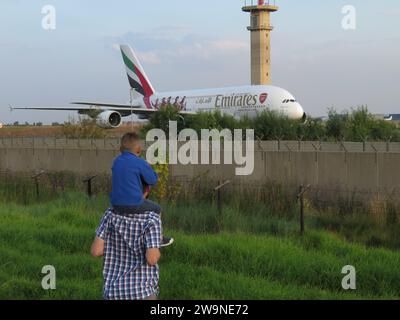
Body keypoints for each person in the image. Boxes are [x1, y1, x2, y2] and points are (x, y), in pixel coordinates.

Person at [110, 132, 173, 246]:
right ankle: (158, 238)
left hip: (115, 204)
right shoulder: (140, 162)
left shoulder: (116, 161)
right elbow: (153, 180)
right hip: (133, 204)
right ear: (138, 150)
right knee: (157, 209)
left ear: (120, 149)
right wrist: (147, 166)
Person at [91, 208, 162, 300]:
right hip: (141, 292)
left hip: (113, 291)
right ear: (146, 193)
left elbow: (96, 251)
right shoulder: (152, 219)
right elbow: (152, 259)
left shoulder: (110, 214)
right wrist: (157, 245)